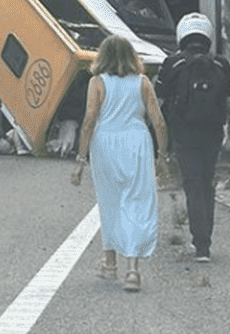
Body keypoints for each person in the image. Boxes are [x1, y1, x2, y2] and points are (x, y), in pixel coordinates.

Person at [71, 35, 168, 292]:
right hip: (137, 142)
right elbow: (158, 121)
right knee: (136, 203)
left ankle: (110, 263)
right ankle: (133, 271)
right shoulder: (143, 82)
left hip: (105, 143)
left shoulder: (97, 82)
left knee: (110, 202)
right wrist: (163, 157)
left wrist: (80, 160)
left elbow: (89, 120)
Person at [154, 12, 230, 264]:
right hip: (212, 132)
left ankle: (199, 244)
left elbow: (159, 92)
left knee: (192, 183)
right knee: (207, 181)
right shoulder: (221, 63)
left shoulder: (173, 63)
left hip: (183, 131)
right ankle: (206, 242)